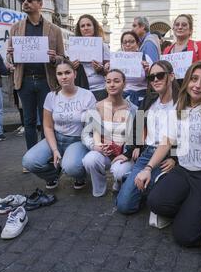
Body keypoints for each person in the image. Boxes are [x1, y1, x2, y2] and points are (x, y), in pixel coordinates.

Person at [136, 61, 201, 247]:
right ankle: (190, 209)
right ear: (186, 81)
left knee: (186, 237)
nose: (197, 85)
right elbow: (167, 141)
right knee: (155, 201)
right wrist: (147, 168)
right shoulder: (180, 107)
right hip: (184, 171)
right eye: (194, 79)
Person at [22, 58, 96, 190]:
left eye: (67, 73)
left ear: (75, 74)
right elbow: (48, 126)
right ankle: (52, 175)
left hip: (78, 140)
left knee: (71, 167)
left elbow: (91, 128)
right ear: (56, 76)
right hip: (56, 137)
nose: (64, 77)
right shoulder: (51, 96)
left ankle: (80, 175)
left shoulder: (87, 95)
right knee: (29, 161)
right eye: (60, 74)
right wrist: (55, 150)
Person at [116, 60, 179, 214]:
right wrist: (132, 149)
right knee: (124, 206)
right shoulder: (150, 99)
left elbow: (186, 135)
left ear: (171, 76)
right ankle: (132, 182)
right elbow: (137, 124)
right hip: (147, 153)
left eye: (160, 75)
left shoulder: (181, 103)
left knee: (156, 197)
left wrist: (175, 158)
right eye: (152, 77)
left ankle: (144, 187)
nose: (155, 80)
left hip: (168, 157)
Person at [7, 0, 65, 152]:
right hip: (24, 81)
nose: (25, 2)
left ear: (40, 4)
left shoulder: (54, 29)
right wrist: (11, 55)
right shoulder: (16, 28)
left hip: (46, 80)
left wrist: (54, 58)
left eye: (30, 0)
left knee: (47, 121)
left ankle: (46, 155)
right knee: (29, 121)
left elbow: (62, 57)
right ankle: (31, 156)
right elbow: (9, 59)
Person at [81, 69, 137, 197]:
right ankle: (99, 187)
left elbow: (137, 137)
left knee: (120, 172)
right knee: (90, 160)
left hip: (123, 154)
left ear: (124, 84)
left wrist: (127, 153)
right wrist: (94, 146)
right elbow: (86, 134)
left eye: (116, 81)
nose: (112, 85)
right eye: (108, 81)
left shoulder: (133, 109)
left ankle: (119, 182)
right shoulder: (96, 107)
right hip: (102, 152)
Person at [72, 14, 110, 102]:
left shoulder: (103, 46)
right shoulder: (74, 46)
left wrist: (101, 69)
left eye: (89, 25)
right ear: (79, 29)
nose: (86, 28)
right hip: (80, 89)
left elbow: (109, 71)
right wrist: (72, 67)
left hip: (99, 89)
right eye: (82, 26)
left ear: (94, 27)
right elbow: (68, 70)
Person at [117, 31, 151, 107]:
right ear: (122, 45)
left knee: (139, 118)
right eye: (125, 42)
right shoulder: (117, 59)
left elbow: (154, 78)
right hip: (122, 98)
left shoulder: (145, 58)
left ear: (137, 44)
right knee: (123, 118)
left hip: (141, 99)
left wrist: (147, 71)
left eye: (131, 42)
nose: (128, 45)